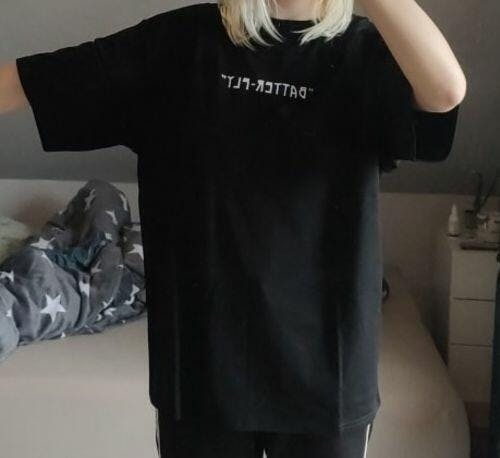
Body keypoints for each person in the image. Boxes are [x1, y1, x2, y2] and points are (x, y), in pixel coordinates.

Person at [0, 0, 466, 456]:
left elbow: (445, 93)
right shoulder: (179, 43)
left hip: (328, 376)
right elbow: (25, 83)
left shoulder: (365, 56)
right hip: (202, 372)